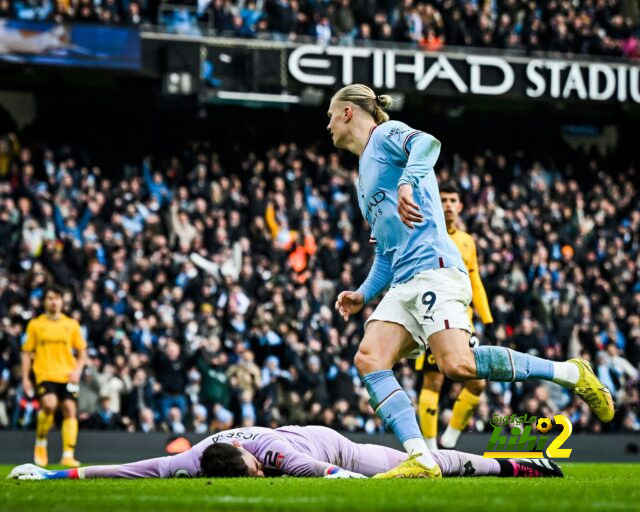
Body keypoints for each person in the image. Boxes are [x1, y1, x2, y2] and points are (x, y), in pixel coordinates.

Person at [328, 84, 613, 479]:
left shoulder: (385, 136)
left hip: (435, 269)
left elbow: (428, 143)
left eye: (329, 115)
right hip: (403, 280)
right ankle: (422, 459)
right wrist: (363, 293)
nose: (327, 125)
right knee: (369, 357)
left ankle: (570, 372)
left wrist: (408, 182)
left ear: (347, 113)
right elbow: (385, 253)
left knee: (458, 366)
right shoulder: (362, 180)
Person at [7, 424, 563, 480]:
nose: (258, 476)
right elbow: (128, 470)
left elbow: (337, 480)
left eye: (253, 474)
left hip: (336, 449)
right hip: (313, 445)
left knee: (427, 465)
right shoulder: (189, 460)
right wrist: (57, 478)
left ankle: (521, 463)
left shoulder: (277, 457)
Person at [415, 181, 494, 450]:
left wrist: (487, 318)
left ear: (460, 206)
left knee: (477, 383)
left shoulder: (467, 242)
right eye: (444, 199)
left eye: (452, 200)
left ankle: (450, 437)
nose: (448, 205)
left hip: (463, 322)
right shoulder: (426, 236)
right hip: (432, 318)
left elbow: (475, 281)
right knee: (433, 381)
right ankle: (429, 446)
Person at [21, 285, 87, 468]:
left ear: (62, 301)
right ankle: (41, 441)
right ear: (44, 301)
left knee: (69, 408)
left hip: (67, 374)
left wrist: (78, 371)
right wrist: (26, 378)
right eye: (50, 298)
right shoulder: (35, 325)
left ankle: (68, 454)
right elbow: (26, 353)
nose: (54, 301)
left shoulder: (71, 324)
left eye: (57, 298)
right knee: (49, 405)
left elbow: (82, 352)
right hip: (45, 373)